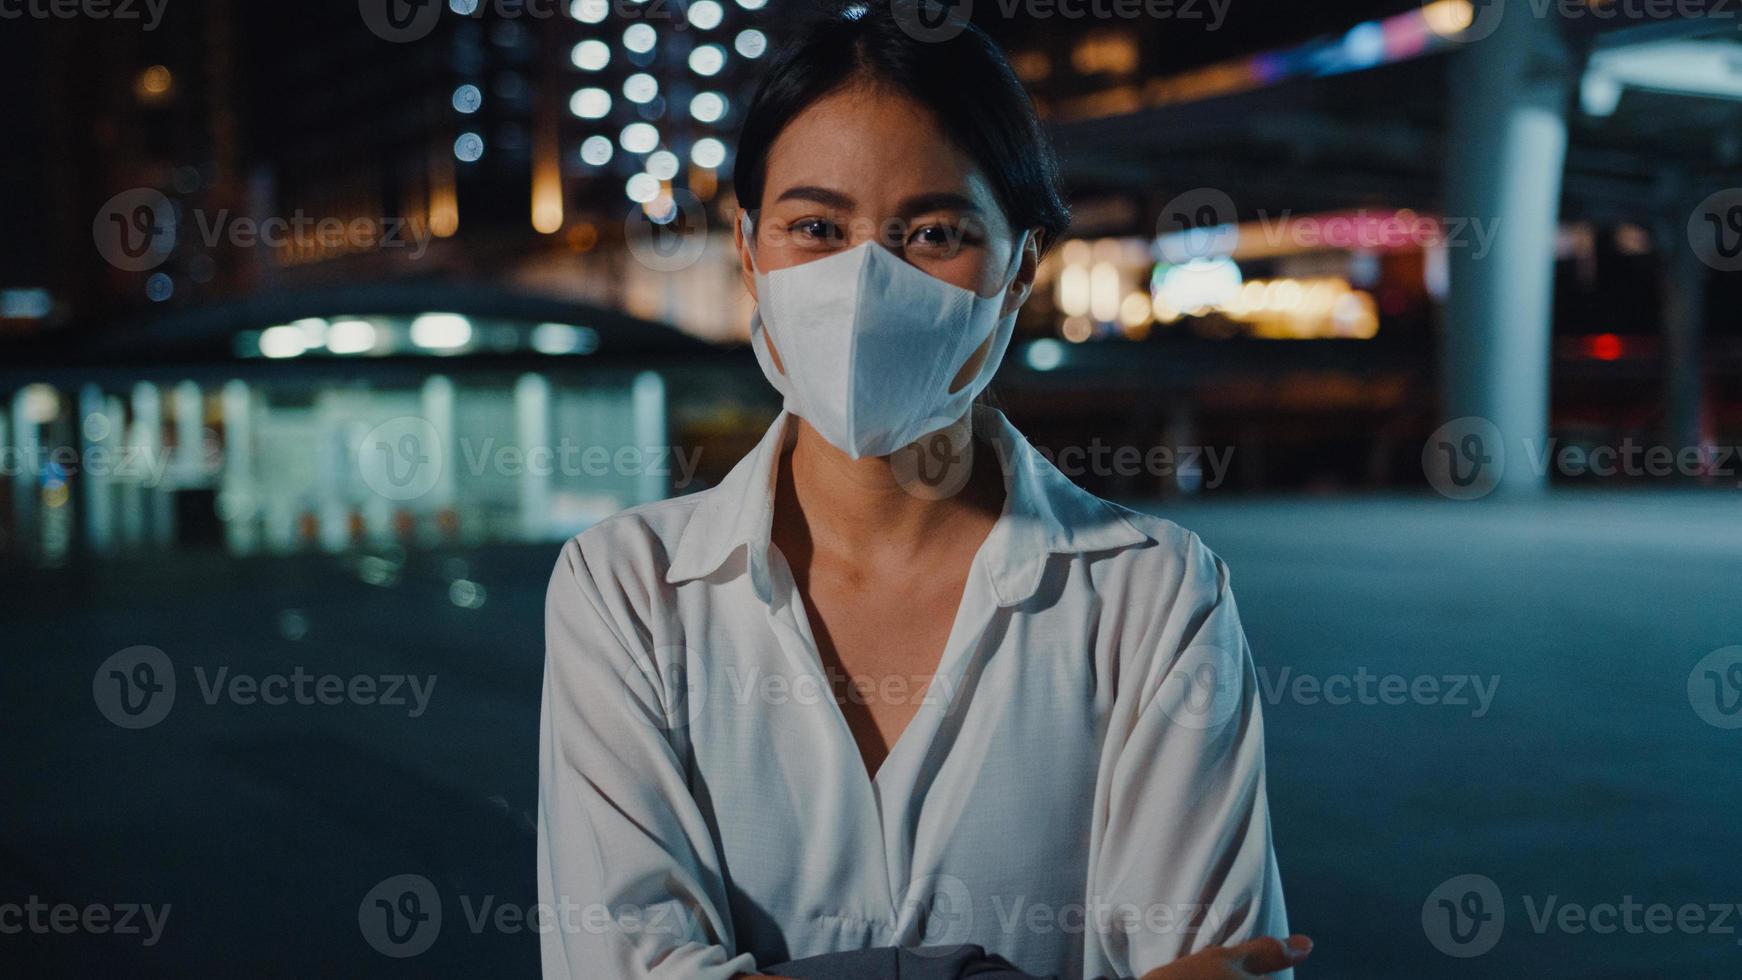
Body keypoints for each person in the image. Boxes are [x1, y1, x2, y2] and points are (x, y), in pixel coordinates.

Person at [537, 4, 1308, 978]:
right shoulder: (627, 591)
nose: (863, 281)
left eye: (933, 231)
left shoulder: (1152, 596)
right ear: (747, 251)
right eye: (815, 226)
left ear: (1020, 266)